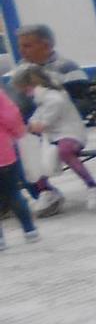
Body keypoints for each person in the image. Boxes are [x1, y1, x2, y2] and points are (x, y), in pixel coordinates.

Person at [14, 66, 96, 212]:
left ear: (31, 85)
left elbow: (42, 125)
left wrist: (25, 127)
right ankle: (46, 191)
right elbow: (35, 119)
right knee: (31, 152)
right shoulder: (42, 100)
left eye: (25, 89)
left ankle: (93, 186)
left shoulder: (54, 99)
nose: (25, 94)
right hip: (51, 137)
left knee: (65, 150)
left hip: (71, 134)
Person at [0, 86, 41, 248]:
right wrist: (19, 133)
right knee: (13, 192)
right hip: (4, 152)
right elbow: (11, 117)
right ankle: (30, 230)